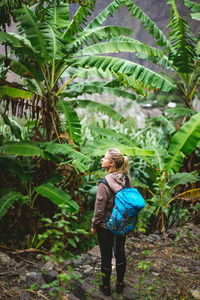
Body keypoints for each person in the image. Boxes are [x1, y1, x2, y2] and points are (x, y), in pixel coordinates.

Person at [91, 148, 132, 296]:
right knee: (120, 253)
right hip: (121, 224)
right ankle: (120, 285)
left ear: (112, 163)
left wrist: (94, 225)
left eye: (105, 158)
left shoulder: (104, 183)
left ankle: (106, 287)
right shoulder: (126, 179)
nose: (102, 159)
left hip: (105, 226)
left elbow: (99, 210)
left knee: (106, 256)